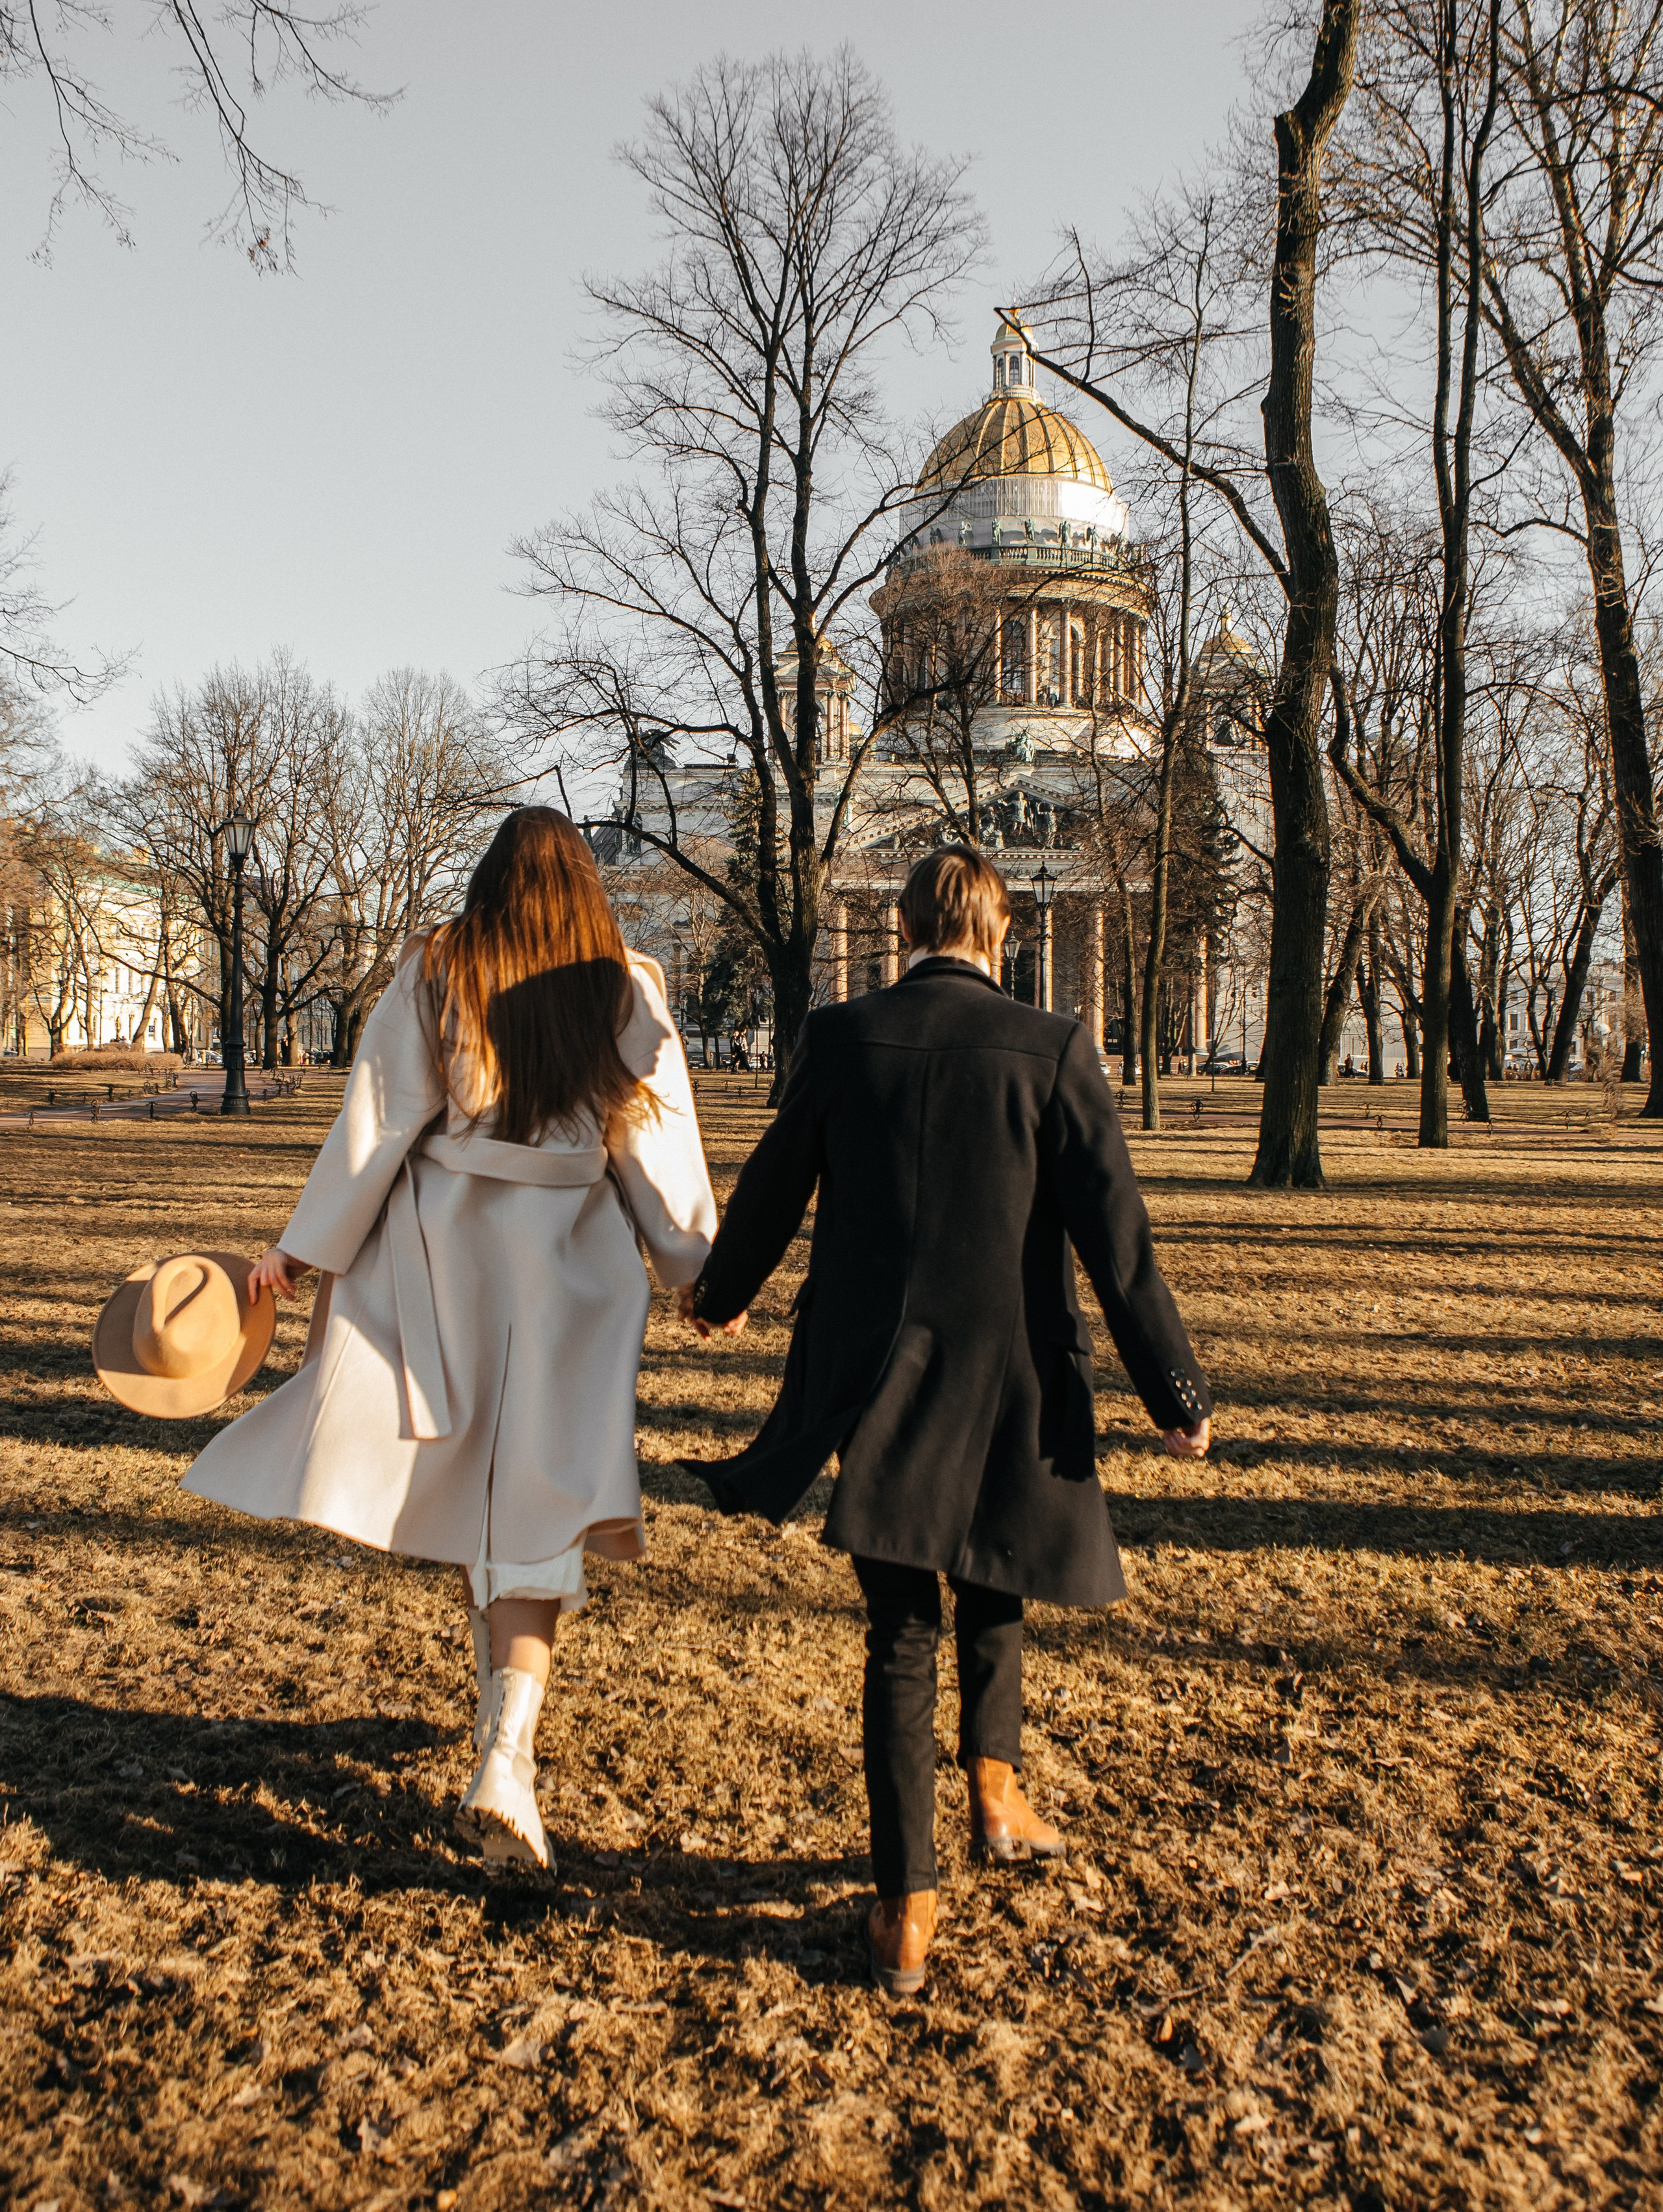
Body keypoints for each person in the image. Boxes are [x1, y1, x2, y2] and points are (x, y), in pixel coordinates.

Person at [679, 845, 1210, 1995]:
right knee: (995, 1574)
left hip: (878, 1374)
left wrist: (719, 1297)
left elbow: (774, 1188)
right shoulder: (1055, 1048)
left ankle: (907, 1906)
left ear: (907, 928)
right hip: (1017, 1367)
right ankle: (995, 1793)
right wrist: (1175, 1391)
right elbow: (1118, 1241)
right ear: (1001, 933)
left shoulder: (842, 1036)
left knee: (901, 1631)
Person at [185, 808, 716, 1870]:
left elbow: (377, 1120)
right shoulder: (623, 984)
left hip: (445, 1259)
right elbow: (658, 1144)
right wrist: (697, 1269)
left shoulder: (442, 966)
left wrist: (302, 1252)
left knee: (486, 1500)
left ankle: (503, 1749)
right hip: (569, 1274)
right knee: (533, 1507)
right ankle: (507, 1752)